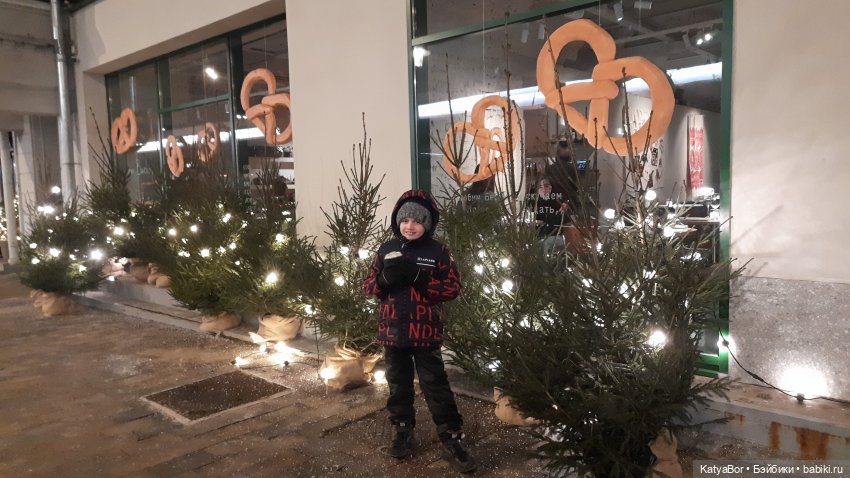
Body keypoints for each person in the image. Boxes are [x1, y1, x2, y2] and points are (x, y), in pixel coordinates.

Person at [363, 189, 477, 474]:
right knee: (398, 385)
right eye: (404, 220)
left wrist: (419, 278)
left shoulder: (437, 252)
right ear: (397, 222)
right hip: (393, 333)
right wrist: (384, 279)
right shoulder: (386, 249)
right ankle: (402, 431)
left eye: (416, 220)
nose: (410, 226)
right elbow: (368, 287)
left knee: (435, 385)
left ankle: (452, 438)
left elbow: (452, 288)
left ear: (427, 223)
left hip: (425, 334)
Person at [530, 176, 567, 255]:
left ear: (551, 187)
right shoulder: (534, 203)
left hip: (557, 236)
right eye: (540, 187)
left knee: (544, 244)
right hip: (538, 237)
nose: (544, 190)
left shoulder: (559, 202)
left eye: (546, 186)